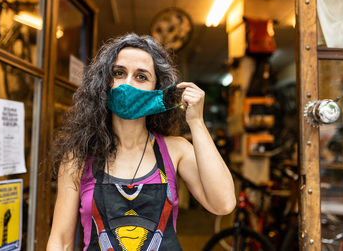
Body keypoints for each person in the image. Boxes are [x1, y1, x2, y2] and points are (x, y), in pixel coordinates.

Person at [47, 33, 236, 251]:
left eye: (141, 77)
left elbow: (223, 203)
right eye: (119, 73)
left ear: (157, 90)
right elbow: (60, 241)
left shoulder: (176, 151)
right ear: (104, 82)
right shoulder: (78, 158)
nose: (127, 84)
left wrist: (197, 122)